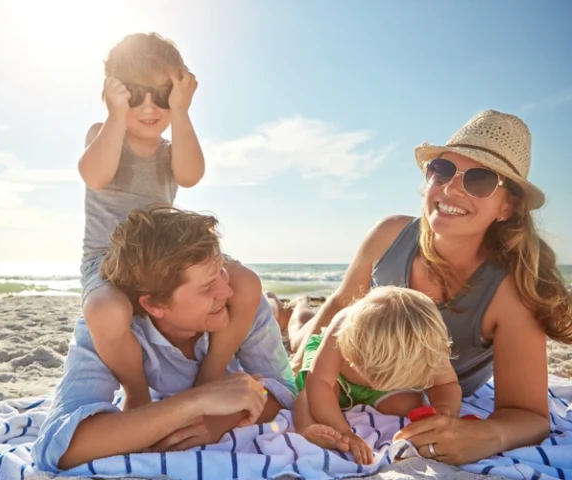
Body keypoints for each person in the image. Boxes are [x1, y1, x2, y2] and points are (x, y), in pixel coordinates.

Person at [281, 109, 572, 465]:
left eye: (478, 180)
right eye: (443, 170)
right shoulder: (390, 235)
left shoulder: (509, 292)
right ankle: (297, 313)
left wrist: (486, 434)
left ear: (507, 206)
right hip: (344, 355)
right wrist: (302, 357)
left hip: (406, 388)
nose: (450, 188)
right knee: (300, 340)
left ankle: (295, 313)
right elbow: (343, 302)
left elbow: (530, 415)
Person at [32, 205, 297, 472]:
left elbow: (285, 388)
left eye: (222, 271)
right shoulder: (109, 331)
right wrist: (195, 402)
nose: (226, 291)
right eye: (207, 287)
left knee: (280, 313)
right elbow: (56, 448)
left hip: (265, 318)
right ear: (154, 305)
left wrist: (228, 418)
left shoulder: (241, 304)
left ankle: (289, 307)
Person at [78, 32, 263, 411]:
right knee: (105, 311)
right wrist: (116, 115)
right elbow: (94, 175)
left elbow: (191, 174)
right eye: (134, 94)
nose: (149, 106)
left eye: (161, 94)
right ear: (113, 92)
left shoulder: (171, 149)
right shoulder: (103, 134)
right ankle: (136, 389)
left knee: (245, 284)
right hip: (108, 261)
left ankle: (211, 373)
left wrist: (181, 111)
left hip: (165, 255)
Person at [291, 286, 462, 465]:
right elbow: (320, 383)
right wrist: (345, 432)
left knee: (410, 405)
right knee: (310, 394)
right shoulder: (343, 327)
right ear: (352, 353)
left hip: (375, 380)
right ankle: (299, 306)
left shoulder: (428, 345)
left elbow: (446, 385)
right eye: (371, 375)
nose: (376, 384)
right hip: (336, 377)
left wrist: (445, 410)